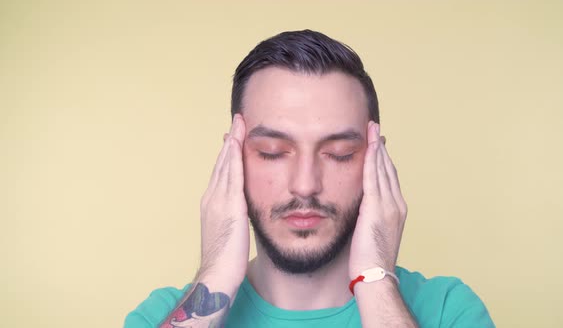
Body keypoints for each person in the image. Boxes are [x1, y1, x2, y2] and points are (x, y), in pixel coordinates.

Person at [125, 29, 494, 328]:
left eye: (339, 155)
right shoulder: (158, 315)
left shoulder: (449, 310)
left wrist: (376, 280)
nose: (305, 185)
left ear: (375, 160)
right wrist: (215, 277)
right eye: (272, 151)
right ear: (233, 159)